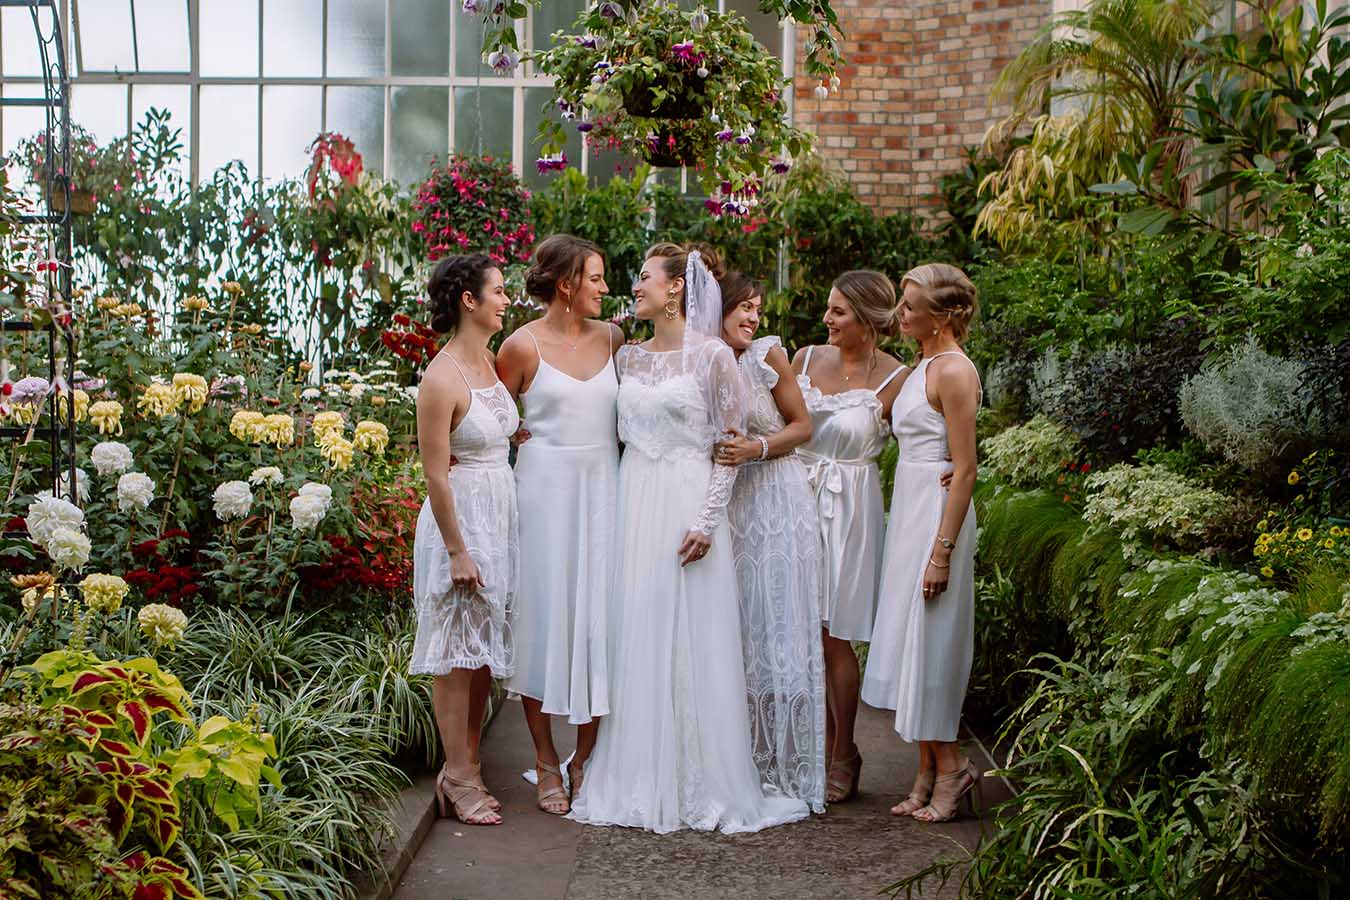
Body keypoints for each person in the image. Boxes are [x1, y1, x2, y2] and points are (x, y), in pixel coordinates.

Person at [568, 243, 810, 834]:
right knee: (640, 633)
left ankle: (704, 779)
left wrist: (706, 520)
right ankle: (638, 775)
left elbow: (728, 447)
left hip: (688, 500)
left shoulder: (713, 358)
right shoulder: (628, 357)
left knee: (694, 639)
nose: (635, 287)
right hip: (635, 500)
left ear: (676, 288)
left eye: (645, 278)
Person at [495, 234, 623, 815]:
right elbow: (492, 420)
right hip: (542, 495)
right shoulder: (520, 347)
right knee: (543, 623)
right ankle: (546, 761)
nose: (604, 288)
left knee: (602, 623)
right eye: (595, 278)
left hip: (606, 493)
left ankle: (586, 759)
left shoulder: (616, 339)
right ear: (567, 284)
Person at [862, 263, 982, 823]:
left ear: (940, 316)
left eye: (910, 306)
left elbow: (965, 469)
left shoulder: (954, 371)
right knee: (912, 642)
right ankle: (925, 770)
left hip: (936, 516)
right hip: (909, 507)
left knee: (932, 643)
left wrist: (943, 553)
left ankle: (953, 768)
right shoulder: (922, 363)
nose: (900, 314)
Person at [791, 270, 908, 804]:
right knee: (795, 627)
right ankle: (807, 746)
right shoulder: (805, 359)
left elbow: (927, 438)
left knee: (835, 635)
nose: (826, 320)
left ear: (867, 319)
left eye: (838, 312)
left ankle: (844, 750)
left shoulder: (897, 378)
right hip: (795, 498)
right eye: (828, 309)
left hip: (852, 510)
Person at [410, 254, 520, 826]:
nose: (507, 299)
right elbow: (434, 473)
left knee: (479, 656)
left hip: (498, 517)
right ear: (469, 301)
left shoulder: (491, 362)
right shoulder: (440, 376)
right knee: (455, 656)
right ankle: (457, 775)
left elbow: (497, 431)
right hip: (460, 522)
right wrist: (456, 549)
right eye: (499, 292)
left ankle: (469, 765)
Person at [713, 271, 827, 812]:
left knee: (777, 631)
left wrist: (756, 448)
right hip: (726, 506)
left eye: (757, 308)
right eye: (744, 307)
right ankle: (737, 762)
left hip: (777, 503)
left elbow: (803, 426)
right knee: (734, 633)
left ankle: (784, 767)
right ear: (719, 307)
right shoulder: (702, 358)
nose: (753, 317)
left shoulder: (768, 355)